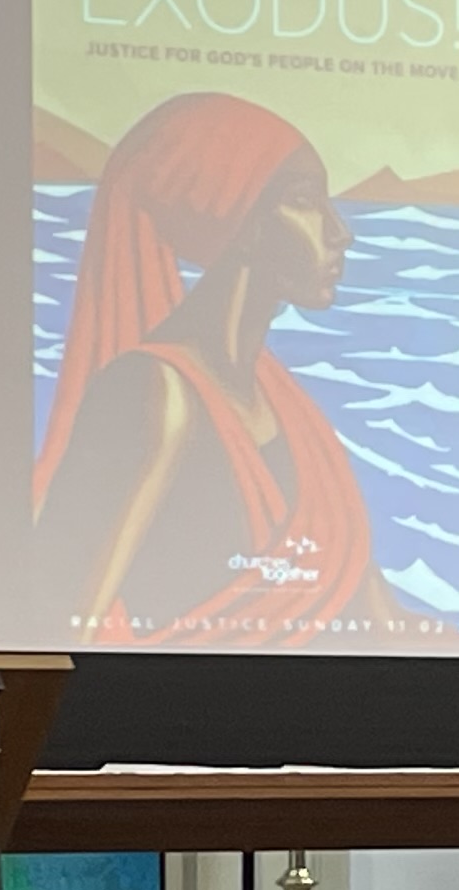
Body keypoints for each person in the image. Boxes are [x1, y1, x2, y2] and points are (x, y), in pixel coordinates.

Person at [32, 90, 422, 646]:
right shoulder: (154, 393)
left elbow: (384, 620)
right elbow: (63, 632)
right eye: (305, 201)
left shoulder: (284, 399)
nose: (341, 232)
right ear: (239, 221)